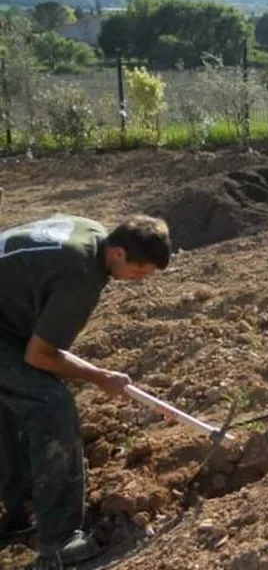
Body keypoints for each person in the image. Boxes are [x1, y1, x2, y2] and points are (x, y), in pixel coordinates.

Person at [0, 213, 171, 569]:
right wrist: (100, 377)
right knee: (52, 404)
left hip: (7, 325)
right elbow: (39, 355)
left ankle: (20, 513)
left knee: (15, 403)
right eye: (139, 271)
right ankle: (60, 541)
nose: (139, 280)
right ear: (119, 253)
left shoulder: (91, 232)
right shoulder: (80, 276)